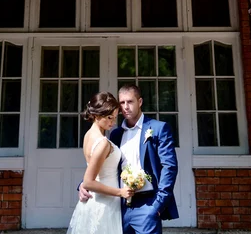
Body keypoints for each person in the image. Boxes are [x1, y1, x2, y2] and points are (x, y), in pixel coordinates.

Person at [80, 84, 178, 234]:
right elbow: (103, 165)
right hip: (119, 206)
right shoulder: (115, 134)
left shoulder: (158, 129)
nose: (125, 107)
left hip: (148, 204)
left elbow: (169, 167)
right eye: (122, 102)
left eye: (130, 102)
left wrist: (158, 206)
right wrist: (83, 185)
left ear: (140, 102)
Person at [67, 91, 134, 234]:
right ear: (97, 115)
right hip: (105, 203)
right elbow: (89, 181)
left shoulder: (88, 136)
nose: (113, 122)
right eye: (109, 117)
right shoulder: (102, 143)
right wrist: (120, 192)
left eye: (115, 117)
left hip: (96, 200)